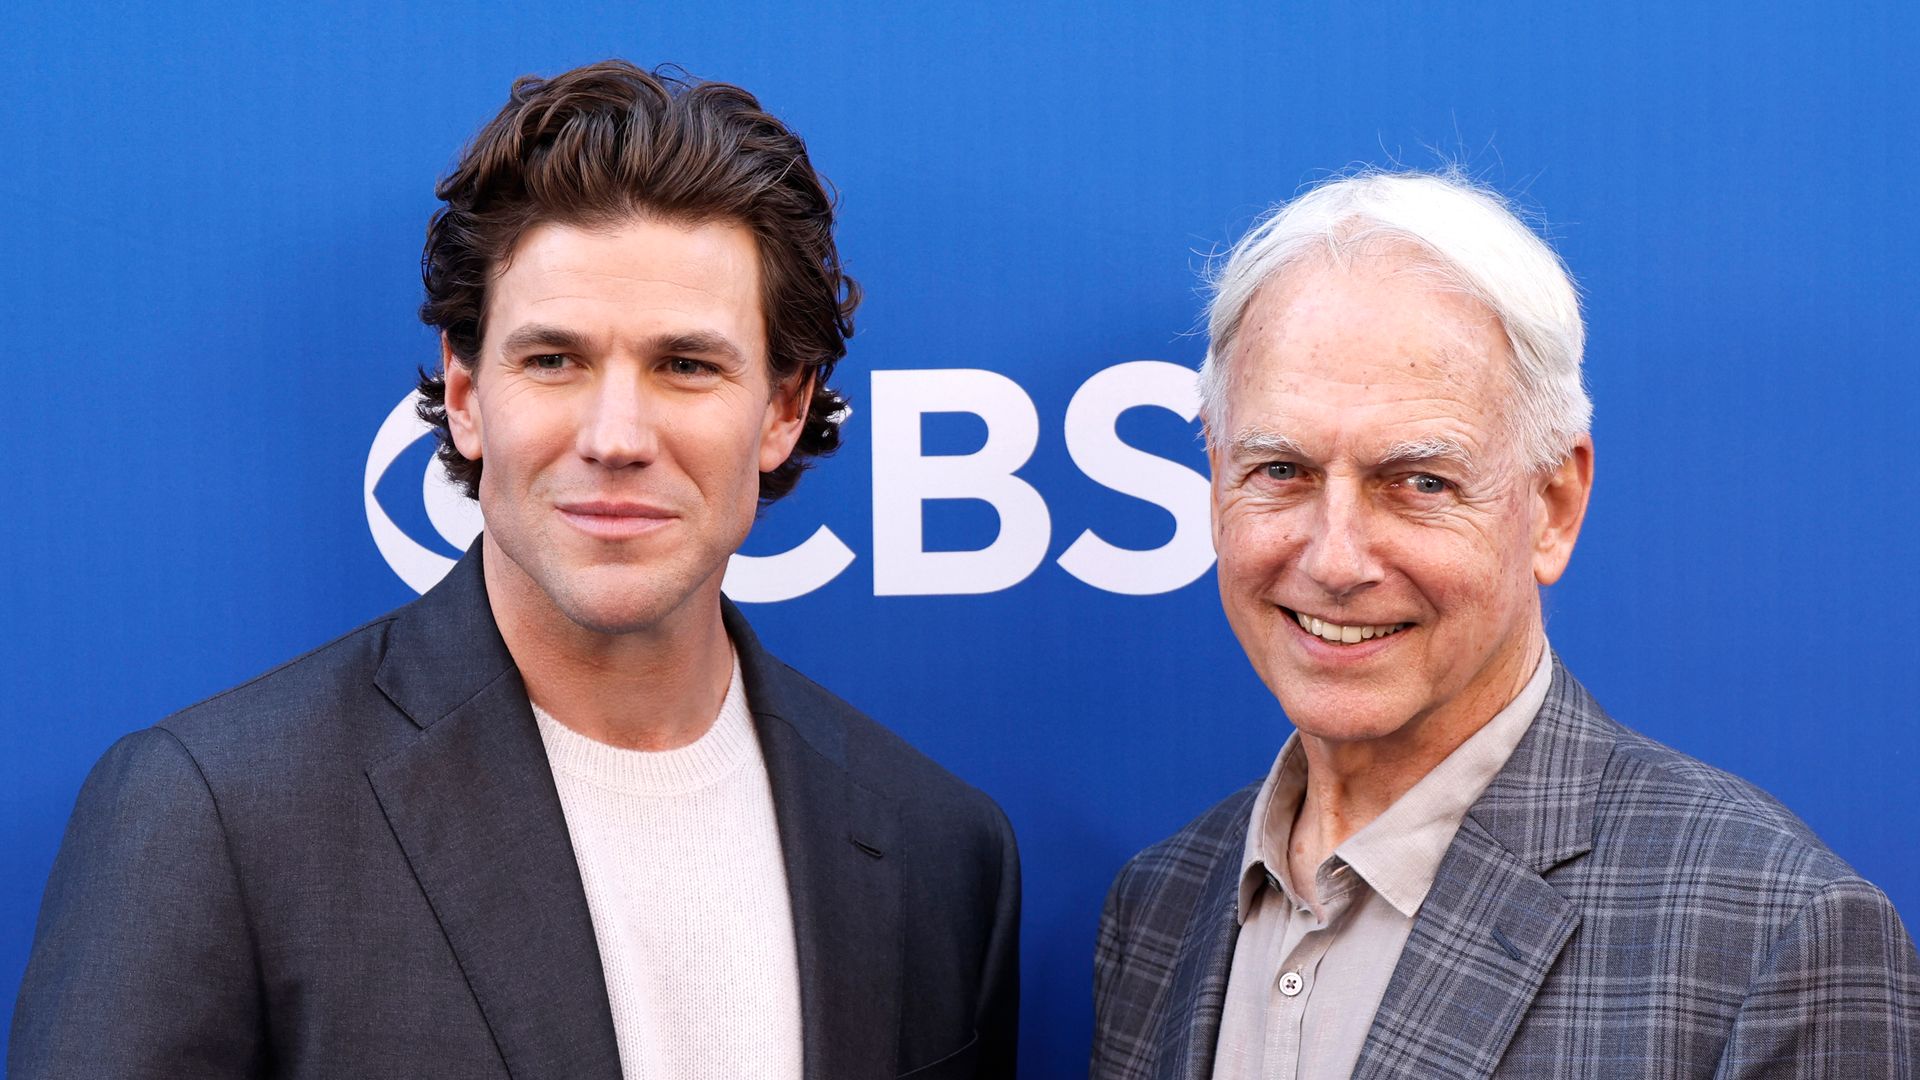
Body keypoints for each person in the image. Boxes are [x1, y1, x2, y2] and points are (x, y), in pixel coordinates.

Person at [12, 60, 1017, 1080]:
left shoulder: (941, 854)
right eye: (554, 360)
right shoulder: (214, 815)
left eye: (686, 365)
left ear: (783, 409)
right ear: (465, 392)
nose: (616, 435)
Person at [1090, 169, 1917, 1079]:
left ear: (1553, 505)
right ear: (1214, 479)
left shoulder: (1773, 936)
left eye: (1419, 482)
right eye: (1280, 469)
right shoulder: (1160, 905)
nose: (1333, 558)